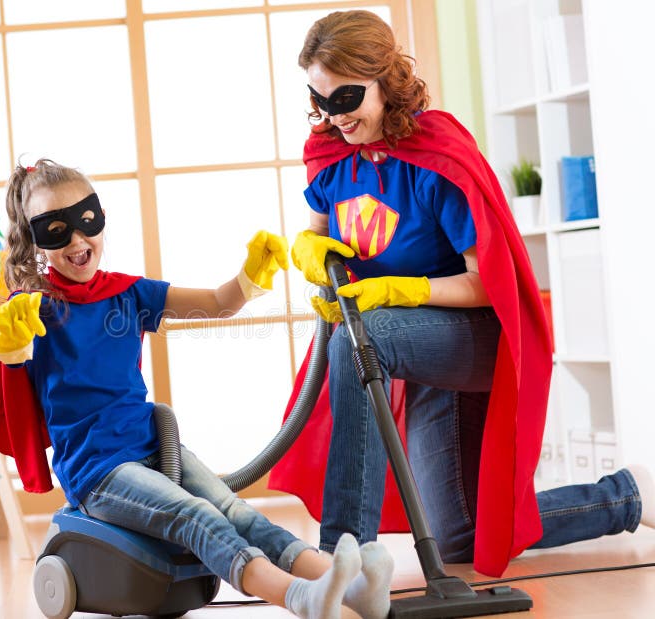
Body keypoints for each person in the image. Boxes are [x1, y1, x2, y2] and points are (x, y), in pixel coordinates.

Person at [268, 9, 654, 577]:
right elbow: (322, 242)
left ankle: (343, 553)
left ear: (384, 79)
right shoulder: (328, 155)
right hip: (402, 344)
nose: (333, 116)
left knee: (361, 337)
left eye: (346, 98)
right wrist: (308, 251)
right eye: (320, 99)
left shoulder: (436, 153)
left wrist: (404, 289)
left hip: (472, 336)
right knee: (463, 539)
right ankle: (626, 496)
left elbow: (484, 284)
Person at [0, 158, 396, 619]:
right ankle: (299, 597)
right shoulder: (33, 309)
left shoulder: (127, 292)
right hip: (98, 472)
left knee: (237, 512)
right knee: (197, 516)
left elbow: (218, 304)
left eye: (87, 222)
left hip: (153, 445)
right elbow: (12, 378)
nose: (79, 240)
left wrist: (249, 277)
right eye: (58, 230)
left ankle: (354, 588)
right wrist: (10, 350)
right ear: (37, 239)